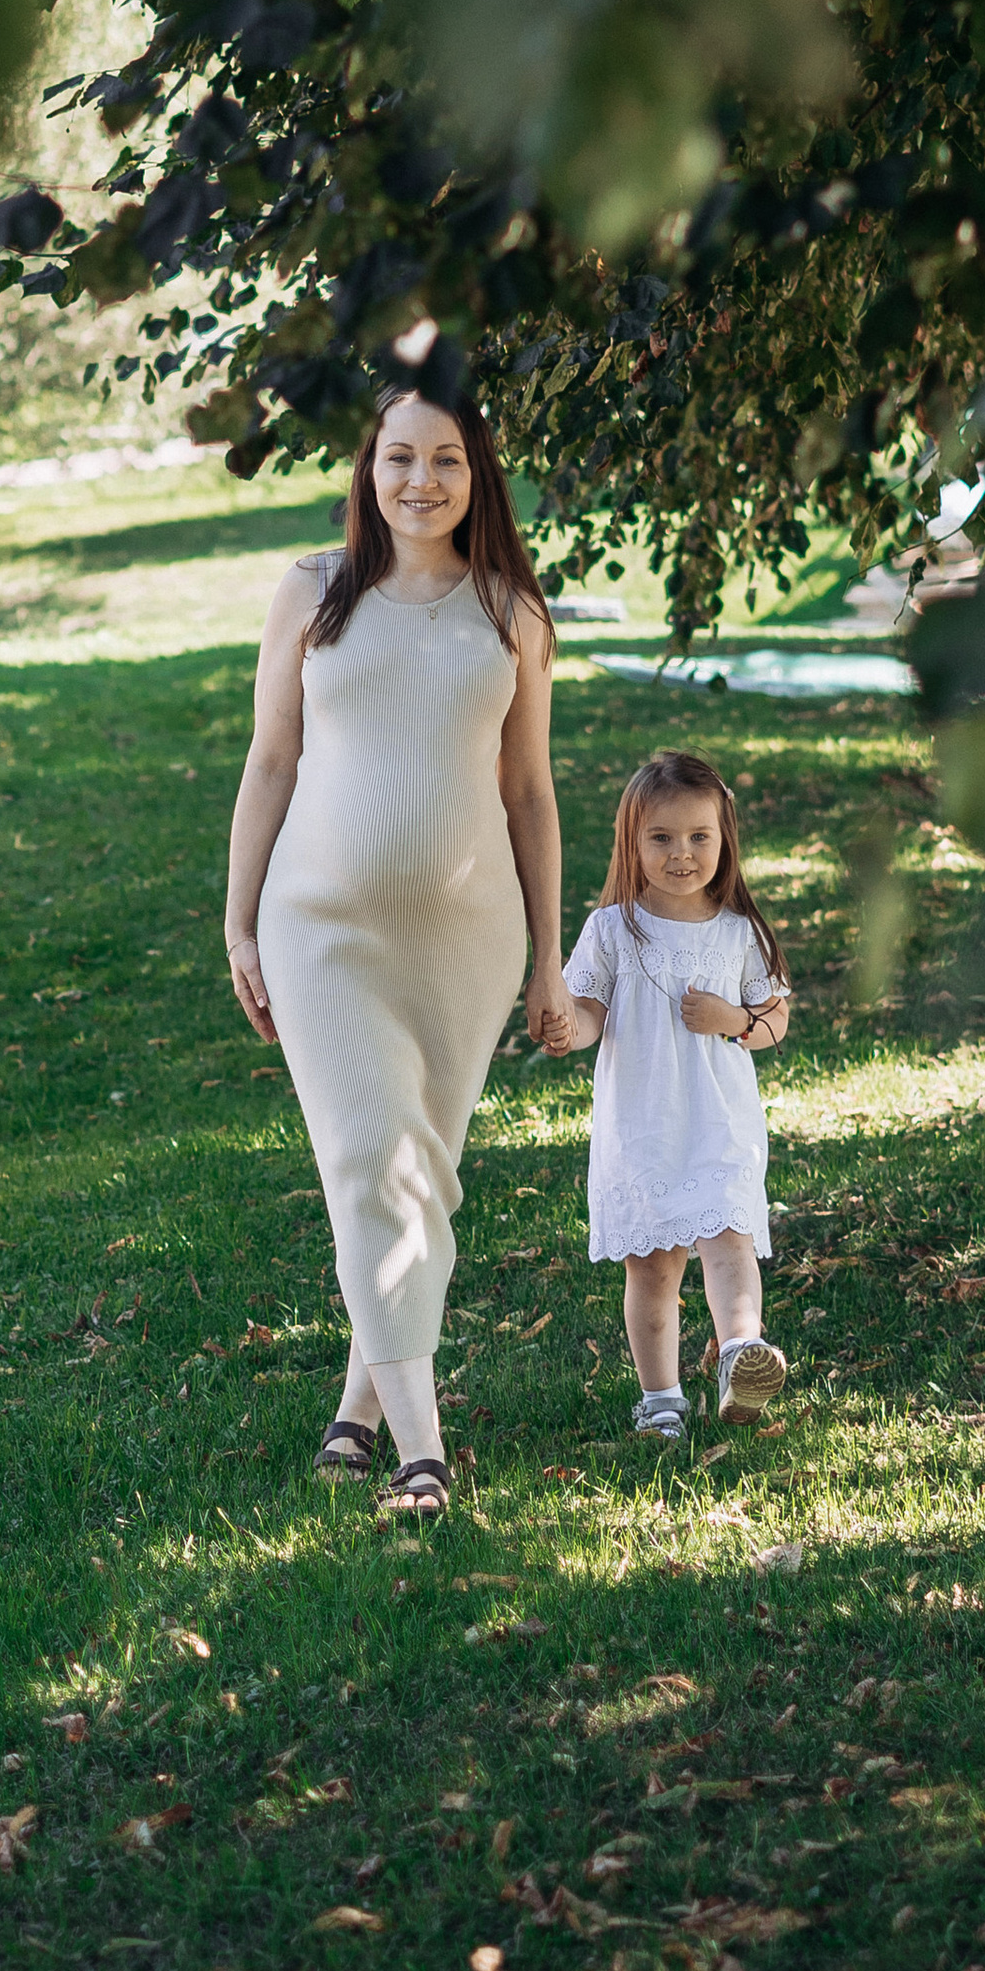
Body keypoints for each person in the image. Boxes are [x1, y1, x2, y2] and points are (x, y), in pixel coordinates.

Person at [224, 384, 572, 1521]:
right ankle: (424, 1454)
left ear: (479, 477)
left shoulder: (510, 611)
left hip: (467, 943)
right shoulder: (311, 593)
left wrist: (548, 959)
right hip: (320, 929)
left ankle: (357, 1414)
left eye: (447, 461)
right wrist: (237, 918)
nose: (420, 480)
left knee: (421, 1177)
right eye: (398, 458)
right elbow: (270, 760)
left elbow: (528, 790)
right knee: (369, 1163)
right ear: (367, 470)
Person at [554, 749, 792, 1444]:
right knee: (655, 1275)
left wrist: (737, 1022)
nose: (681, 853)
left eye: (698, 837)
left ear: (724, 842)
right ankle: (661, 1399)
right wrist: (568, 1027)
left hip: (720, 1124)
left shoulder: (739, 931)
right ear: (633, 842)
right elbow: (592, 1012)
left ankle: (742, 1352)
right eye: (660, 838)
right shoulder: (613, 929)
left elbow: (774, 1016)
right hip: (645, 1128)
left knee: (729, 1244)